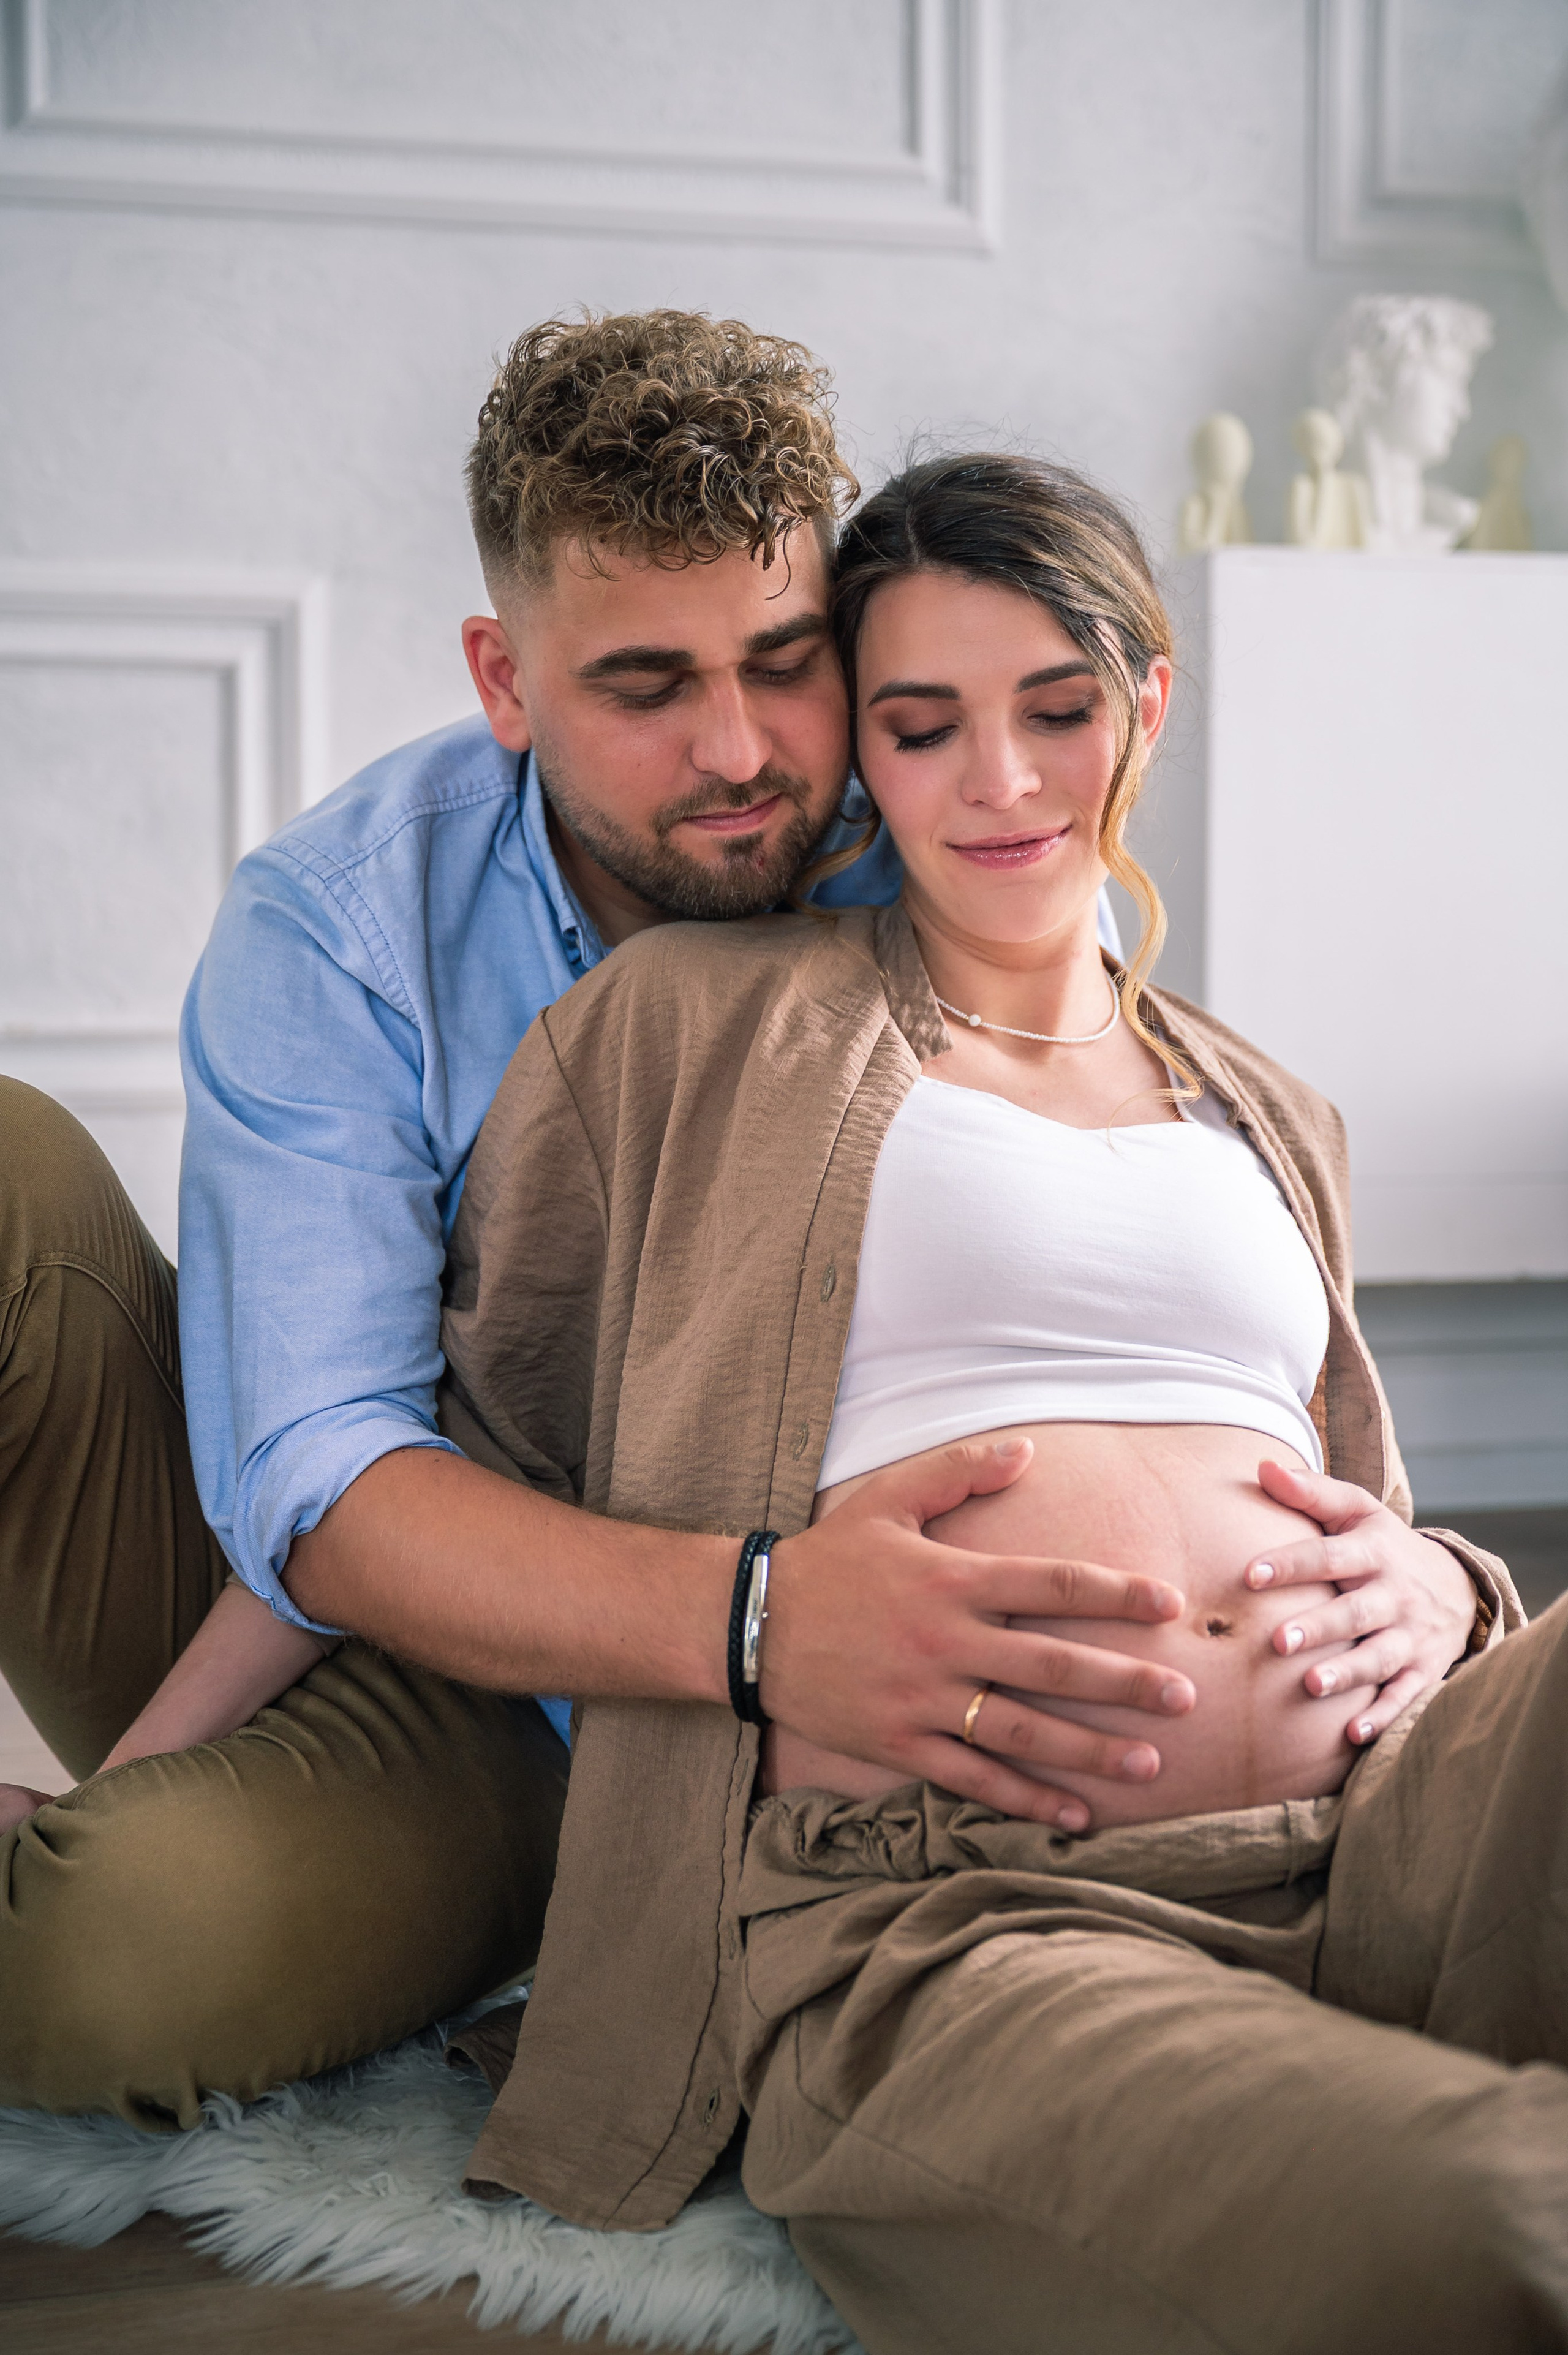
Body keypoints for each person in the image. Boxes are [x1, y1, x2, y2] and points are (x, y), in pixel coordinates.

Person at [426, 453, 1564, 2353]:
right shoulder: (683, 1027)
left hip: (1393, 1834)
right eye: (924, 724)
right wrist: (759, 1620)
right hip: (962, 1913)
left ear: (1147, 706)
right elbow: (478, 1458)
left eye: (1058, 709)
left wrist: (1451, 1583)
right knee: (1492, 2222)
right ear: (857, 754)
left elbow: (1353, 1496)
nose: (1005, 780)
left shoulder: (1273, 1106)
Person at [0, 310, 1134, 2127]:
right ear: (505, 679)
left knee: (103, 1953)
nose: (739, 749)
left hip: (629, 1722)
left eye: (784, 662)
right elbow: (323, 1477)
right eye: (646, 686)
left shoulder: (949, 847)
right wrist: (760, 1614)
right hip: (375, 1594)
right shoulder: (343, 921)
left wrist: (1392, 1565)